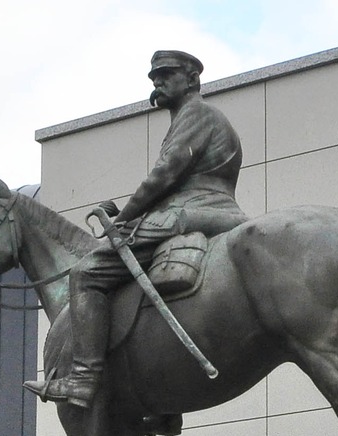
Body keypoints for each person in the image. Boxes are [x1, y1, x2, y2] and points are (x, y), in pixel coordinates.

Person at [25, 50, 246, 408]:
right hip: (205, 210)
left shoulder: (197, 114)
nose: (157, 82)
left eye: (167, 75)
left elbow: (164, 175)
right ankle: (160, 403)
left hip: (196, 212)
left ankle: (83, 378)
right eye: (155, 77)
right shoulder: (194, 118)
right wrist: (124, 214)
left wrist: (125, 218)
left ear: (192, 79)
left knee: (85, 274)